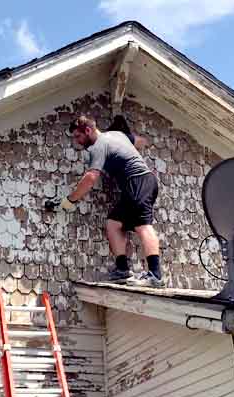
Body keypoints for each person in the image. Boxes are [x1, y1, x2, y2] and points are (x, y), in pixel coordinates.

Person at [45, 115, 164, 287]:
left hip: (139, 180)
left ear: (88, 130)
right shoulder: (117, 134)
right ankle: (122, 270)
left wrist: (70, 201)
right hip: (137, 184)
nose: (77, 142)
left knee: (142, 224)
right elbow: (141, 142)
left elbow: (91, 178)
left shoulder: (99, 146)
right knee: (113, 223)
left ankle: (156, 275)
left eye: (78, 136)